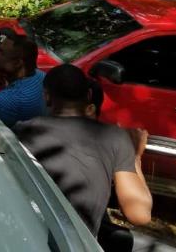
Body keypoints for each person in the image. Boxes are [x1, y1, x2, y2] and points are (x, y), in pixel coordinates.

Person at [13, 64, 152, 237]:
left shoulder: (23, 131)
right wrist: (135, 157)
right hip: (77, 244)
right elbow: (139, 214)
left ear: (47, 97)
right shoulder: (116, 138)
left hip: (27, 237)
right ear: (88, 95)